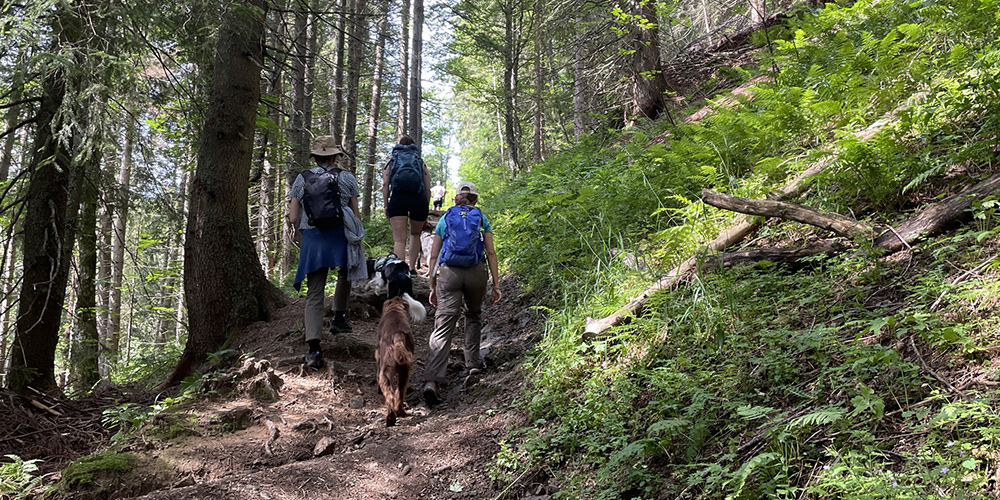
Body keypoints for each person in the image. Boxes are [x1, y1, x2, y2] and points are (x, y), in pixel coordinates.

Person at [289, 136, 368, 369]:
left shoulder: (302, 179)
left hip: (313, 239)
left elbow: (293, 217)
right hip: (339, 234)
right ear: (335, 157)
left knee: (315, 292)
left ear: (315, 157)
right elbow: (355, 214)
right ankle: (339, 317)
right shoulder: (347, 178)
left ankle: (314, 348)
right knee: (345, 272)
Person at [422, 182, 502, 405]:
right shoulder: (481, 218)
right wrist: (496, 285)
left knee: (444, 323)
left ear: (456, 197)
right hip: (476, 272)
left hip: (450, 273)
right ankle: (473, 364)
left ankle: (431, 380)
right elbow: (491, 252)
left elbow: (434, 255)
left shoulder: (446, 218)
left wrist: (432, 285)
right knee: (473, 315)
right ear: (475, 199)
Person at [382, 136, 431, 273]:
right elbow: (427, 187)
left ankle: (400, 271)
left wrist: (386, 205)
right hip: (418, 198)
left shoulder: (392, 161)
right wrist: (425, 204)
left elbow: (385, 184)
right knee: (415, 234)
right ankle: (412, 268)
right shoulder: (420, 162)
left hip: (398, 198)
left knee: (399, 240)